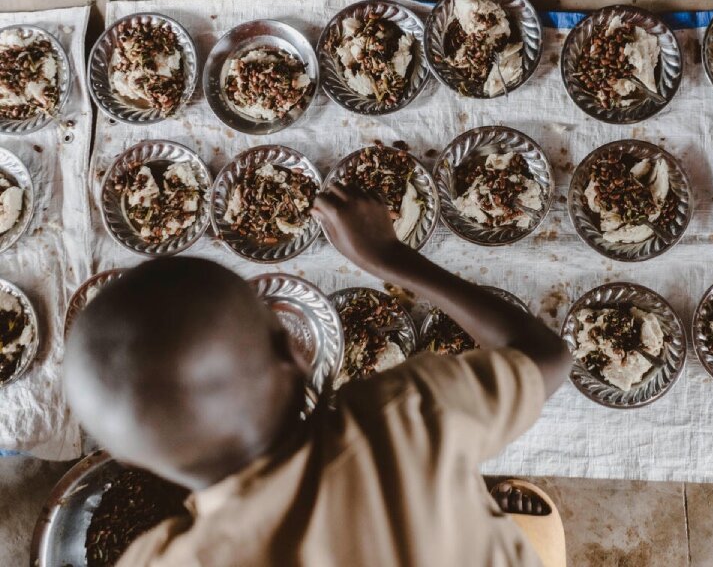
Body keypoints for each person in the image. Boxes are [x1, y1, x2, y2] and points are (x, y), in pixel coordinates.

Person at [64, 183, 572, 567]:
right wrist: (391, 258)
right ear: (296, 352)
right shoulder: (404, 422)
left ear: (127, 459)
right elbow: (546, 355)